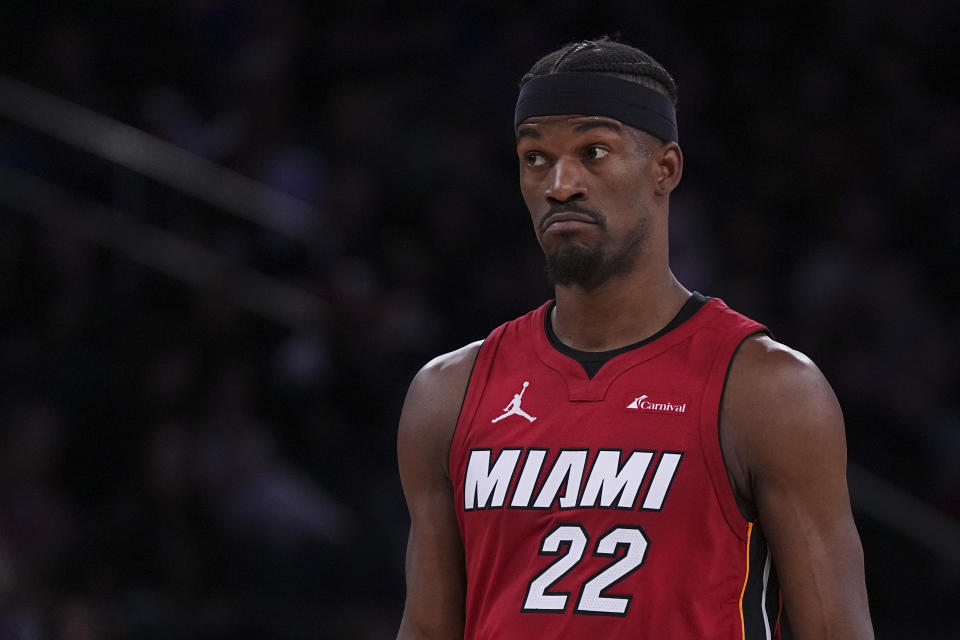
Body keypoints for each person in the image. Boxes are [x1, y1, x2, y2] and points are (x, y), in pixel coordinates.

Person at [396, 37, 874, 640]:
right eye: (535, 157)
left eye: (594, 152)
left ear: (665, 169)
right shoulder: (448, 393)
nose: (560, 184)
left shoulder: (767, 391)